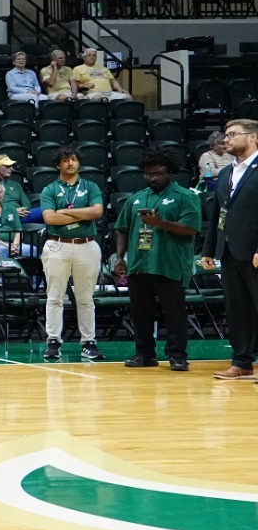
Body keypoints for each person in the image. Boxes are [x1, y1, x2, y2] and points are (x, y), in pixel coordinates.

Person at [113, 148, 202, 372]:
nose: (153, 178)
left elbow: (191, 228)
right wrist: (120, 257)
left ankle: (177, 355)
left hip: (170, 263)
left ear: (170, 172)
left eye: (158, 173)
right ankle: (144, 353)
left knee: (174, 313)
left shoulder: (186, 197)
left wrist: (161, 224)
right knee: (140, 312)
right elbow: (122, 229)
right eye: (148, 174)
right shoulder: (136, 198)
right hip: (140, 264)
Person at [202, 118, 258, 382]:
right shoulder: (225, 173)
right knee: (237, 309)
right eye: (226, 134)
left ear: (253, 137)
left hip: (254, 251)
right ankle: (242, 362)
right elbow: (217, 214)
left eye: (233, 134)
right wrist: (209, 249)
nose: (227, 139)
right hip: (230, 251)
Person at [39, 144, 105, 363]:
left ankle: (88, 342)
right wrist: (83, 215)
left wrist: (66, 211)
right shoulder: (49, 189)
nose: (71, 163)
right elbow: (50, 219)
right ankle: (53, 341)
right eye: (66, 160)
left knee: (86, 297)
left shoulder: (90, 186)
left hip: (87, 244)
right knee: (54, 296)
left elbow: (97, 211)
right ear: (58, 164)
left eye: (74, 159)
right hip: (58, 244)